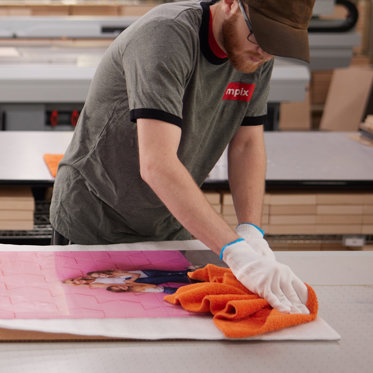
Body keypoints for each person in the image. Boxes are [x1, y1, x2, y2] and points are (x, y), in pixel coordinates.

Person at [50, 0, 315, 314]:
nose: (265, 52)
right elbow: (157, 164)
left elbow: (246, 144)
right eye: (261, 36)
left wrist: (251, 232)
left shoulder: (257, 53)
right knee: (102, 334)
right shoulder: (166, 35)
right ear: (231, 3)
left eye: (277, 45)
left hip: (170, 221)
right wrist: (234, 251)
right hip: (98, 217)